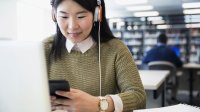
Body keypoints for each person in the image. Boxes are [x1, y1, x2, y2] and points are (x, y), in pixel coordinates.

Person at [43, 0, 146, 112]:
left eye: (81, 16)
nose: (72, 26)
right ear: (54, 15)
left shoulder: (116, 49)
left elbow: (139, 97)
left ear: (97, 15)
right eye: (64, 16)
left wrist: (100, 104)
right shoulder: (44, 49)